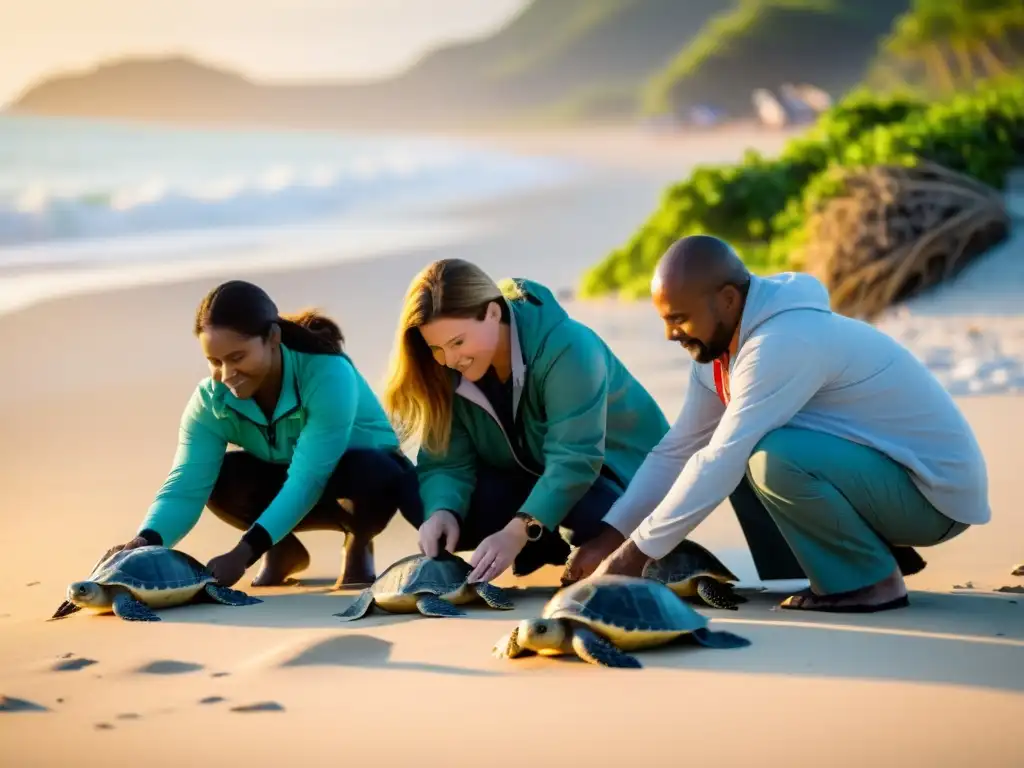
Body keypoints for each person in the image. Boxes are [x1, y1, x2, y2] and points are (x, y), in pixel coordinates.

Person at [564, 235, 990, 613]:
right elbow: (678, 451)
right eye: (665, 321)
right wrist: (610, 536)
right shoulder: (720, 349)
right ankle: (842, 563)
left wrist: (632, 558)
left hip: (933, 499)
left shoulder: (783, 342)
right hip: (882, 479)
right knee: (742, 447)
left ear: (728, 300)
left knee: (766, 455)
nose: (670, 335)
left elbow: (720, 459)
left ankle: (872, 581)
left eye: (679, 319)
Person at [102, 280, 422, 589]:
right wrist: (145, 542)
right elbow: (185, 486)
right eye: (215, 361)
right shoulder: (210, 401)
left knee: (373, 471)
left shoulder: (328, 373)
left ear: (272, 338)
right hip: (286, 476)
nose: (227, 375)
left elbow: (308, 478)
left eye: (237, 357)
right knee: (220, 477)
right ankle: (282, 549)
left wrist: (243, 554)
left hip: (357, 484)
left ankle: (358, 545)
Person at [381, 258, 671, 585]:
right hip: (533, 475)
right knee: (415, 494)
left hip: (617, 479)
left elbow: (575, 461)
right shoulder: (446, 370)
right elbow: (447, 463)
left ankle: (587, 540)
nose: (449, 359)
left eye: (457, 342)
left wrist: (516, 532)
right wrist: (441, 511)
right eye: (436, 348)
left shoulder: (569, 347)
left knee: (589, 512)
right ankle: (542, 539)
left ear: (492, 312)